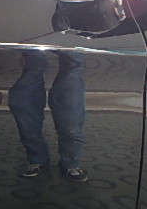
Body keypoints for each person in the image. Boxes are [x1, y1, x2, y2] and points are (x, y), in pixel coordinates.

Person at [8, 50, 88, 182]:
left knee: (70, 100)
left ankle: (70, 164)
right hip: (33, 44)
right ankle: (38, 159)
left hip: (70, 41)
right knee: (22, 102)